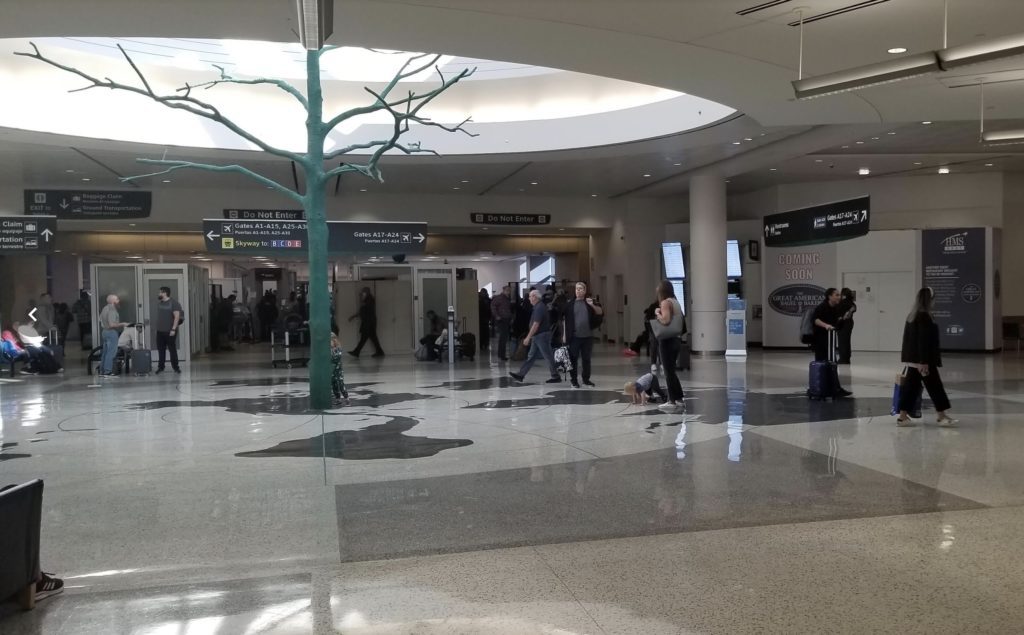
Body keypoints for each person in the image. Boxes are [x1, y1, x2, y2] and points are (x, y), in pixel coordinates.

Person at [896, 287, 958, 427]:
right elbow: (923, 341)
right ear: (930, 300)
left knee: (911, 388)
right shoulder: (924, 317)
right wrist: (923, 361)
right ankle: (941, 416)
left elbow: (908, 340)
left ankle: (903, 416)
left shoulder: (912, 316)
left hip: (913, 360)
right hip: (923, 361)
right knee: (935, 387)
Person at [509, 289, 560, 384]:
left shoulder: (539, 308)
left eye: (530, 296)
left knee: (548, 356)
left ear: (535, 297)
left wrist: (528, 337)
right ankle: (521, 375)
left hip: (541, 336)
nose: (529, 299)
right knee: (531, 356)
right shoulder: (538, 307)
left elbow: (536, 324)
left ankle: (555, 375)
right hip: (538, 336)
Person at [812, 287, 853, 397]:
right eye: (836, 295)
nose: (839, 297)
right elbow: (815, 319)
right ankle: (821, 387)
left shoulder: (835, 308)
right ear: (829, 296)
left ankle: (835, 388)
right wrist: (826, 326)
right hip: (821, 341)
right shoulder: (822, 307)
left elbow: (836, 325)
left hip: (830, 341)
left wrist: (843, 319)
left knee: (832, 364)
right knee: (822, 364)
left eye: (839, 295)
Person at [653, 280, 686, 413]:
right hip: (676, 340)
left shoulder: (665, 302)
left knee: (667, 371)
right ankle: (679, 398)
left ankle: (671, 400)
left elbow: (665, 320)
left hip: (667, 340)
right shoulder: (675, 301)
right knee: (671, 371)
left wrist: (657, 313)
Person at [564, 281, 604, 388]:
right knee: (573, 359)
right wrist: (564, 335)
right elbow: (565, 320)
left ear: (585, 291)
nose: (579, 291)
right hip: (574, 337)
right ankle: (574, 380)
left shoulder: (589, 303)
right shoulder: (570, 304)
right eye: (577, 289)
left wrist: (592, 305)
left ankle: (586, 379)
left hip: (588, 336)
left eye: (581, 289)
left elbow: (600, 312)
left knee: (586, 359)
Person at [155, 286, 183, 374]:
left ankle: (176, 367)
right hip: (160, 331)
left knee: (172, 349)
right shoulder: (160, 303)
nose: (158, 294)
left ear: (164, 293)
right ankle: (161, 367)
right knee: (161, 349)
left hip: (170, 330)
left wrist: (173, 329)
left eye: (160, 292)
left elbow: (177, 317)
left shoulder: (174, 303)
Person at [98, 294, 129, 376]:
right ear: (112, 301)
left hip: (104, 332)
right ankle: (108, 371)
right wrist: (123, 324)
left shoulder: (104, 308)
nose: (119, 301)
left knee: (105, 352)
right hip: (111, 332)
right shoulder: (112, 310)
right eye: (117, 299)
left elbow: (100, 319)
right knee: (111, 353)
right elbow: (112, 324)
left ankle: (102, 371)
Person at [349, 287, 384, 358]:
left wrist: (354, 316)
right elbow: (362, 311)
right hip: (369, 323)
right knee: (372, 339)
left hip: (368, 323)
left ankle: (356, 352)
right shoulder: (368, 300)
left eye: (363, 292)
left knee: (364, 338)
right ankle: (380, 352)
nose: (362, 293)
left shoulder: (369, 300)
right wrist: (353, 316)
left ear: (367, 292)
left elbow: (364, 310)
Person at [491, 286, 513, 361]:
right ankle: (501, 355)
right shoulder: (499, 298)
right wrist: (497, 316)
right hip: (501, 320)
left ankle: (501, 354)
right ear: (503, 290)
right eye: (507, 290)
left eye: (509, 291)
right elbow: (493, 306)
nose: (508, 292)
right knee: (503, 338)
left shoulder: (507, 299)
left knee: (504, 337)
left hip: (506, 319)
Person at [836, 287, 857, 364]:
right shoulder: (851, 302)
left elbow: (837, 313)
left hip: (842, 324)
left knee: (842, 341)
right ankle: (847, 358)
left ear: (843, 295)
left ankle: (843, 359)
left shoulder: (842, 303)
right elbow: (854, 308)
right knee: (847, 341)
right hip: (849, 323)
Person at [330, 332, 350, 406]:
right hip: (332, 370)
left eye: (330, 341)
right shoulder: (329, 349)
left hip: (338, 370)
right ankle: (338, 398)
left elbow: (336, 358)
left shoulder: (338, 349)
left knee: (341, 384)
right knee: (334, 384)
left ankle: (346, 398)